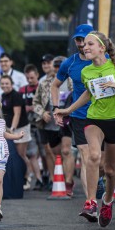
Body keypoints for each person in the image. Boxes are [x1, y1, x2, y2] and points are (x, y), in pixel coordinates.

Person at [55, 31, 115, 227]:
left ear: (102, 48)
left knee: (110, 170)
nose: (85, 47)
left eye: (90, 44)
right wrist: (67, 110)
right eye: (84, 44)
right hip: (94, 119)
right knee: (93, 156)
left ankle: (107, 201)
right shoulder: (86, 71)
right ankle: (91, 202)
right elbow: (88, 93)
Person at [52, 24, 95, 200]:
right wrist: (56, 108)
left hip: (104, 115)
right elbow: (54, 85)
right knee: (86, 156)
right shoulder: (69, 63)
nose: (82, 43)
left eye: (85, 39)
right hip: (80, 115)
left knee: (100, 162)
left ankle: (97, 182)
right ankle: (90, 201)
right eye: (78, 39)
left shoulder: (106, 60)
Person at [33, 56, 74, 191]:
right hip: (50, 123)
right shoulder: (44, 82)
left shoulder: (72, 80)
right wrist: (42, 113)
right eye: (55, 66)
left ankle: (68, 182)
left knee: (66, 151)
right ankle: (54, 179)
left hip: (67, 121)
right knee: (53, 153)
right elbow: (36, 102)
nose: (58, 68)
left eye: (60, 66)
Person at [0, 75, 33, 188]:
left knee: (21, 154)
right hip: (9, 128)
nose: (5, 85)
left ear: (12, 84)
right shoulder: (3, 96)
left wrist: (12, 129)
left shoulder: (16, 95)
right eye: (2, 83)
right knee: (12, 155)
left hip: (21, 128)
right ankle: (17, 178)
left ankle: (27, 177)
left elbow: (17, 114)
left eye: (7, 83)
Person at [19, 64, 42, 189]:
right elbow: (18, 106)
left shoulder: (42, 88)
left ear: (37, 75)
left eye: (32, 78)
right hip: (29, 125)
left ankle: (48, 177)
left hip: (42, 124)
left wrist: (33, 108)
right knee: (31, 154)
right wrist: (26, 108)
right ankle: (38, 179)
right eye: (27, 78)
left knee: (45, 153)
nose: (30, 80)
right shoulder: (22, 90)